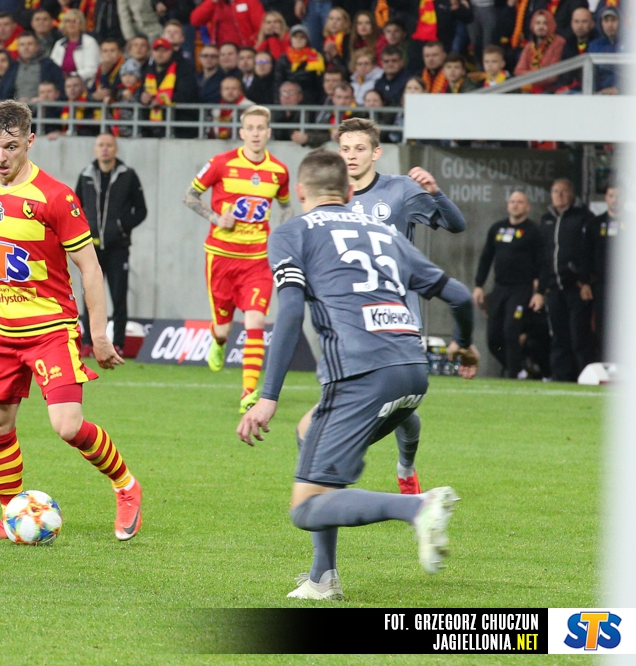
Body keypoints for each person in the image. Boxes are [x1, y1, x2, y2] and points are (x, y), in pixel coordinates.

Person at [236, 149, 478, 601]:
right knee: (308, 432)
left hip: (360, 374)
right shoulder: (384, 233)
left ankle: (418, 506)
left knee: (305, 508)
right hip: (412, 371)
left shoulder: (292, 232)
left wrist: (267, 396)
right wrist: (464, 345)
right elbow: (460, 296)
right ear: (349, 193)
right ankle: (323, 577)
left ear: (300, 192)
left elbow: (290, 313)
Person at [0, 100, 143, 542]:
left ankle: (126, 486)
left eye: (11, 147)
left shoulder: (55, 197)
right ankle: (10, 517)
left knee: (67, 426)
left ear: (30, 141)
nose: (1, 157)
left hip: (50, 329)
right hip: (0, 329)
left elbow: (90, 269)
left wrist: (99, 334)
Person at [330, 117, 466, 494]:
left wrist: (436, 193)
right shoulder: (331, 197)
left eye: (359, 148)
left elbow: (456, 225)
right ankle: (336, 471)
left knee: (401, 404)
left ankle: (404, 466)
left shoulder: (400, 190)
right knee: (375, 400)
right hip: (351, 319)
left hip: (398, 315)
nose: (351, 156)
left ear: (376, 152)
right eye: (345, 149)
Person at [184, 106, 293, 413]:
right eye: (250, 128)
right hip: (221, 257)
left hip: (257, 259)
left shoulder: (279, 171)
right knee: (223, 328)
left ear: (268, 132)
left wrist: (282, 234)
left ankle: (248, 393)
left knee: (255, 320)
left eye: (261, 128)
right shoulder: (221, 163)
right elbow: (190, 196)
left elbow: (286, 206)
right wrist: (216, 218)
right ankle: (218, 341)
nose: (256, 133)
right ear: (242, 132)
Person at [76, 133, 147, 355]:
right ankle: (88, 342)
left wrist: (121, 227)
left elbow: (141, 210)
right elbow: (75, 207)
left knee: (118, 297)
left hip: (118, 248)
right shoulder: (86, 175)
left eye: (109, 145)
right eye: (101, 145)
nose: (104, 149)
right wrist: (84, 231)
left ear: (115, 149)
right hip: (91, 249)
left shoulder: (128, 175)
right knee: (90, 297)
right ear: (95, 149)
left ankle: (118, 344)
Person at [473, 190, 545, 378]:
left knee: (511, 330)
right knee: (493, 337)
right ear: (507, 206)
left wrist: (540, 292)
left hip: (521, 289)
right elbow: (486, 257)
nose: (515, 205)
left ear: (527, 207)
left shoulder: (533, 231)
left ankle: (514, 374)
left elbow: (542, 263)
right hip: (500, 288)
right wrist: (479, 285)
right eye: (512, 201)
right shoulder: (497, 228)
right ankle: (518, 368)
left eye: (520, 202)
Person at [540, 178, 596, 382]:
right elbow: (542, 255)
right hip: (554, 288)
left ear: (572, 194)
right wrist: (541, 285)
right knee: (558, 336)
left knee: (579, 336)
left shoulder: (584, 218)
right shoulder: (546, 219)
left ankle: (586, 375)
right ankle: (561, 376)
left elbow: (588, 252)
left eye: (564, 191)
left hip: (576, 287)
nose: (559, 195)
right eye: (556, 191)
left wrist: (585, 280)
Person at [591, 184, 619, 361]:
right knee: (602, 325)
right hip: (601, 283)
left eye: (619, 196)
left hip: (626, 285)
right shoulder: (595, 224)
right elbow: (586, 254)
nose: (615, 200)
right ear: (606, 199)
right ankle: (603, 363)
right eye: (611, 196)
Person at [514, 10, 564, 94]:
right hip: (530, 91)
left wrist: (529, 76)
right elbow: (518, 71)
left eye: (545, 23)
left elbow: (552, 75)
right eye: (538, 23)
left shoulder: (559, 43)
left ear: (551, 25)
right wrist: (537, 75)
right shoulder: (529, 46)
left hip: (551, 91)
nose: (541, 27)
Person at [273, 24, 325, 104]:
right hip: (287, 101)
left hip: (310, 102)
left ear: (307, 40)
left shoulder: (316, 58)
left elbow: (319, 85)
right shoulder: (283, 59)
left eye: (302, 37)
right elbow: (278, 83)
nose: (298, 40)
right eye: (295, 37)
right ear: (291, 39)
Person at [50, 9, 100, 86]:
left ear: (81, 24)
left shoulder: (89, 42)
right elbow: (52, 67)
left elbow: (92, 69)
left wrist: (72, 76)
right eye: (68, 21)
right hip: (60, 84)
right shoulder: (59, 44)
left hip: (83, 85)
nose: (71, 24)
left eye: (75, 21)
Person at [190, 0, 265, 49]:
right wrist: (212, 2)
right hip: (221, 52)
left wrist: (257, 45)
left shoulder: (249, 1)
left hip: (245, 50)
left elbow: (261, 25)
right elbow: (195, 20)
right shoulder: (214, 4)